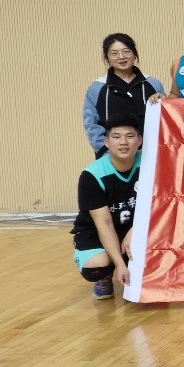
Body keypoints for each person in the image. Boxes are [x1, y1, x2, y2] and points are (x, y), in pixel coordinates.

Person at [71, 115, 143, 300]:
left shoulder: (150, 164)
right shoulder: (92, 175)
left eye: (129, 136)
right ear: (106, 142)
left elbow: (161, 205)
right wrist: (119, 263)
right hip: (97, 231)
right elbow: (104, 223)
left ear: (139, 140)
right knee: (97, 264)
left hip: (136, 229)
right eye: (116, 137)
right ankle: (105, 276)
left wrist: (137, 229)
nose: (123, 142)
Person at [83, 34, 165, 157]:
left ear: (134, 53)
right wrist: (108, 153)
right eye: (114, 53)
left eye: (126, 51)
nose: (121, 57)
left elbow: (164, 122)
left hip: (151, 156)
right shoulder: (97, 88)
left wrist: (165, 103)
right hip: (111, 158)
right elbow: (92, 126)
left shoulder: (152, 84)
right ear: (107, 57)